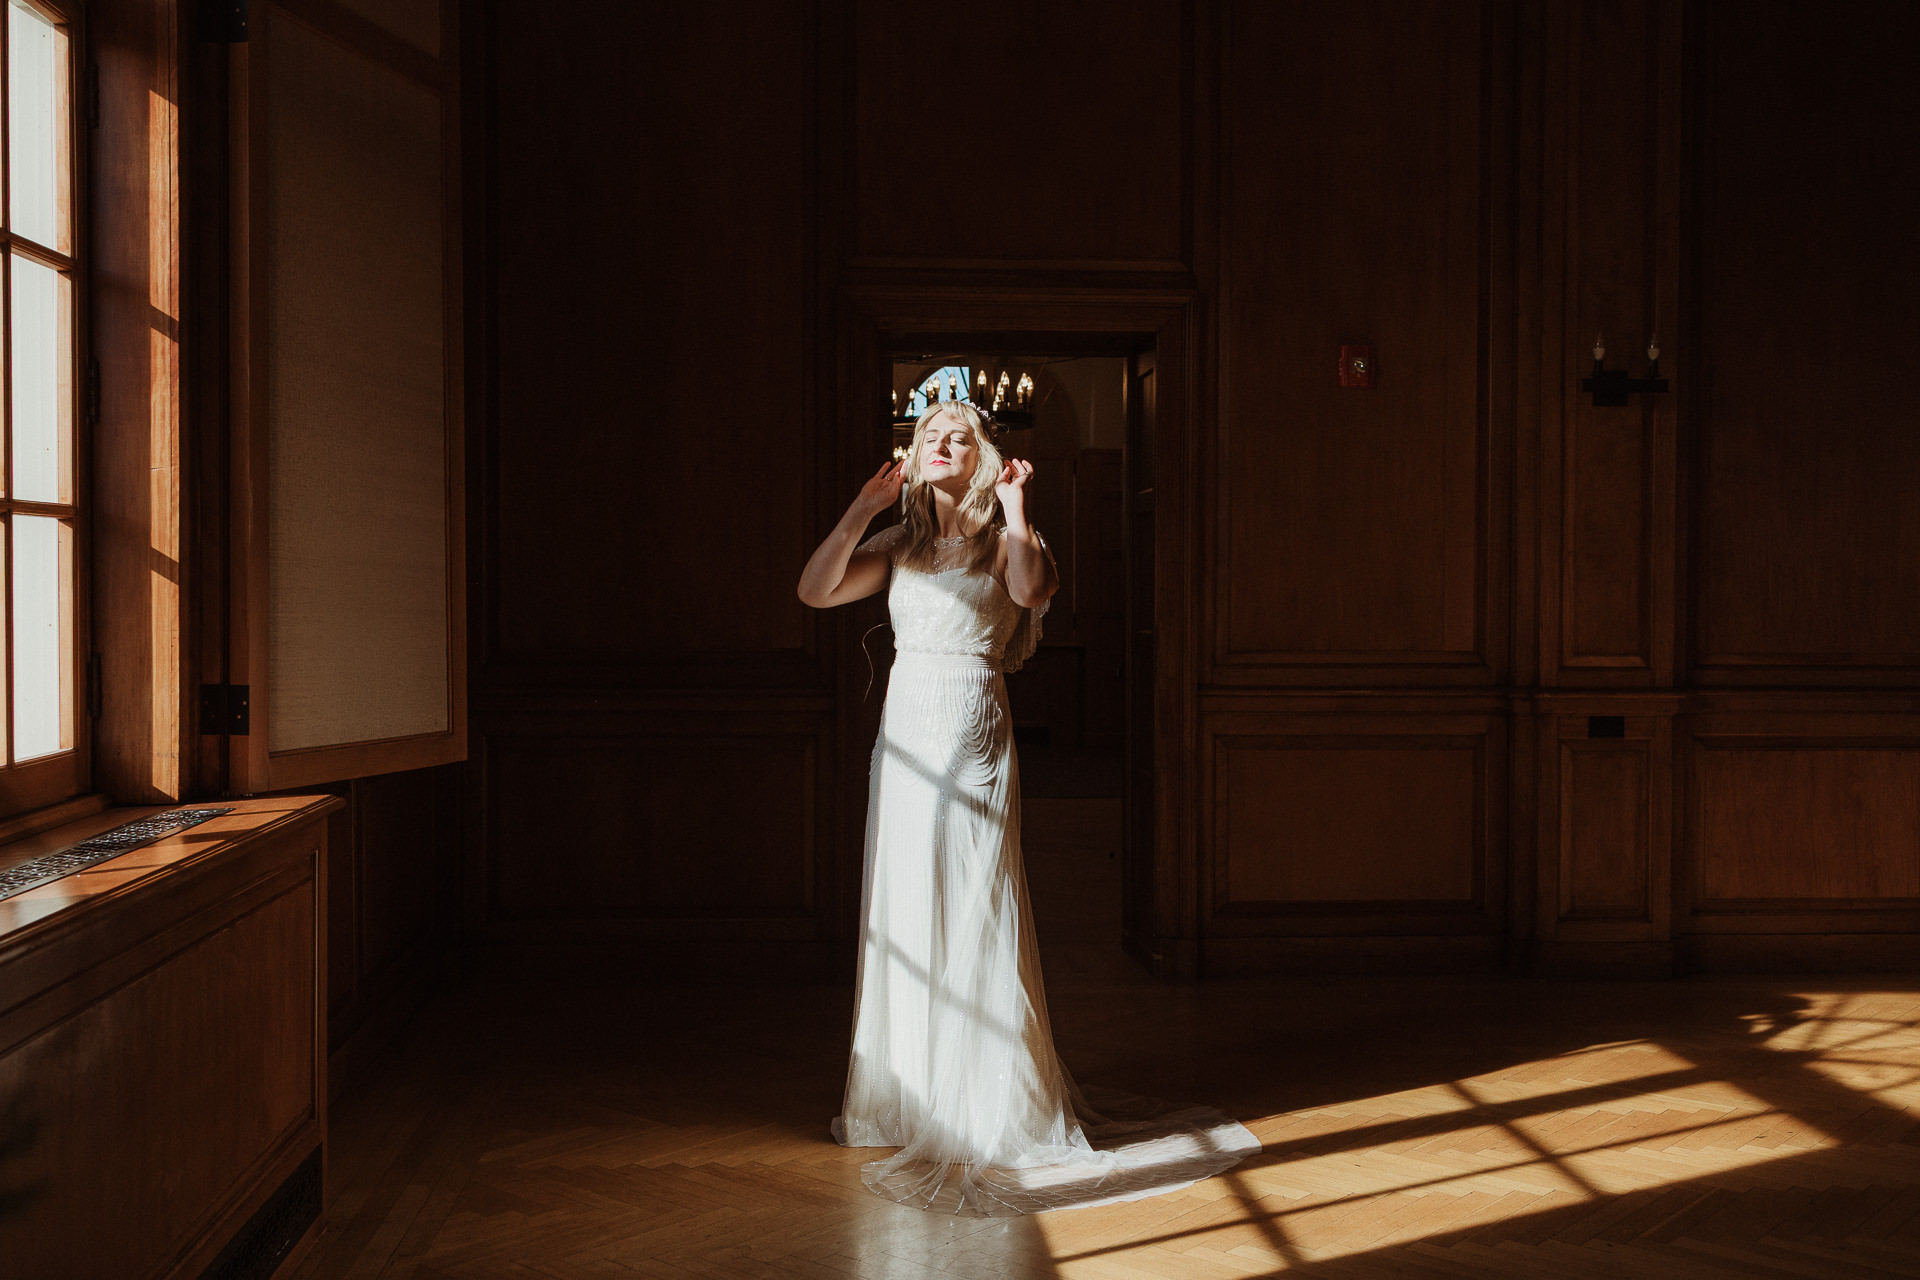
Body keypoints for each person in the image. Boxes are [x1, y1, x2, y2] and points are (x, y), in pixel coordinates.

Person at [797, 400, 1257, 1216]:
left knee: (974, 900)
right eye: (929, 436)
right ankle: (903, 1099)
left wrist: (1016, 510)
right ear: (914, 455)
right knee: (905, 903)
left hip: (971, 723)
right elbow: (815, 590)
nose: (941, 444)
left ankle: (988, 1102)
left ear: (981, 456)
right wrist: (862, 509)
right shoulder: (898, 542)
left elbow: (1032, 589)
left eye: (958, 437)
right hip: (904, 732)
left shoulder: (1008, 536)